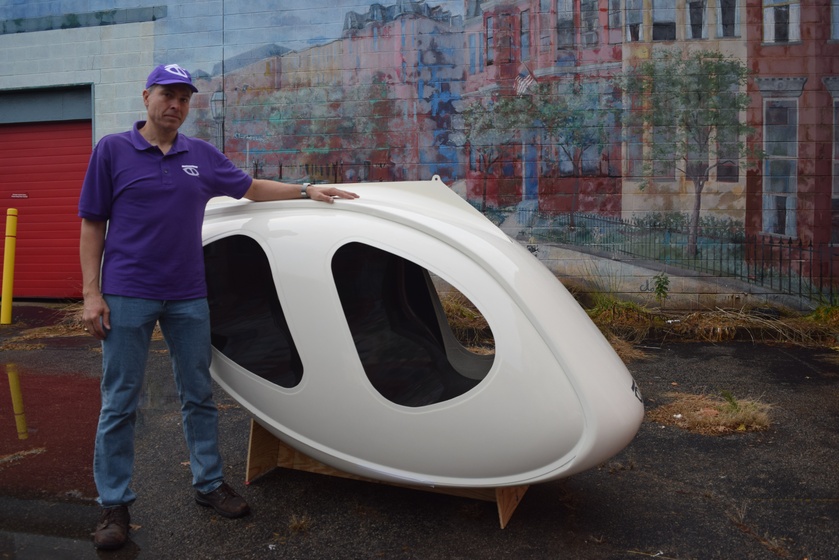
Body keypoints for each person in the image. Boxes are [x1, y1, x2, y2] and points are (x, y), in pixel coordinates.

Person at [78, 63, 358, 551]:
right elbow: (92, 222)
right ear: (146, 97)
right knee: (120, 401)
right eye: (167, 95)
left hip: (188, 293)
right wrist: (91, 293)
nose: (176, 105)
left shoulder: (201, 155)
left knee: (198, 394)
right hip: (127, 292)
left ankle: (208, 484)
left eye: (185, 98)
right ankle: (114, 504)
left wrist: (306, 190)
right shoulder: (112, 150)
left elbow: (250, 188)